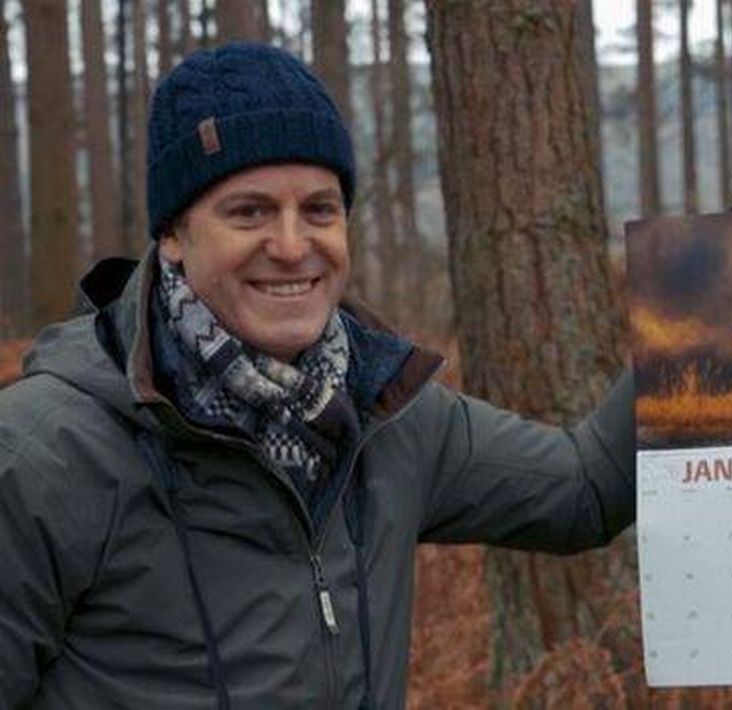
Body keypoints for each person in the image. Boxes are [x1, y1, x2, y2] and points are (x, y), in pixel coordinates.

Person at [0, 43, 635, 709]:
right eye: (249, 211)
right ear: (174, 237)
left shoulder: (385, 413)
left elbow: (586, 488)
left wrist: (724, 275)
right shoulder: (42, 458)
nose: (293, 245)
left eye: (320, 210)